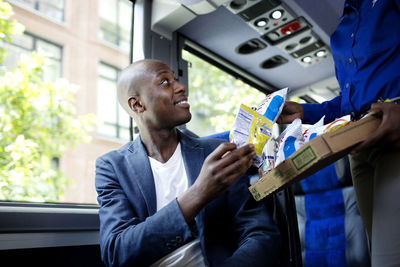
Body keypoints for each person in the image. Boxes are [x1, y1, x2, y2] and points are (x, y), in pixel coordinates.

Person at [95, 59, 281, 267]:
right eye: (165, 82)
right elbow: (116, 253)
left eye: (176, 79)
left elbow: (261, 234)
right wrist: (199, 193)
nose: (182, 87)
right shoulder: (111, 167)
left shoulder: (216, 152)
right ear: (137, 104)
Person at [277, 0, 400, 266]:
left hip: (393, 134)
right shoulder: (345, 23)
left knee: (388, 258)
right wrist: (305, 112)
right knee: (375, 247)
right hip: (359, 148)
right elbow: (350, 103)